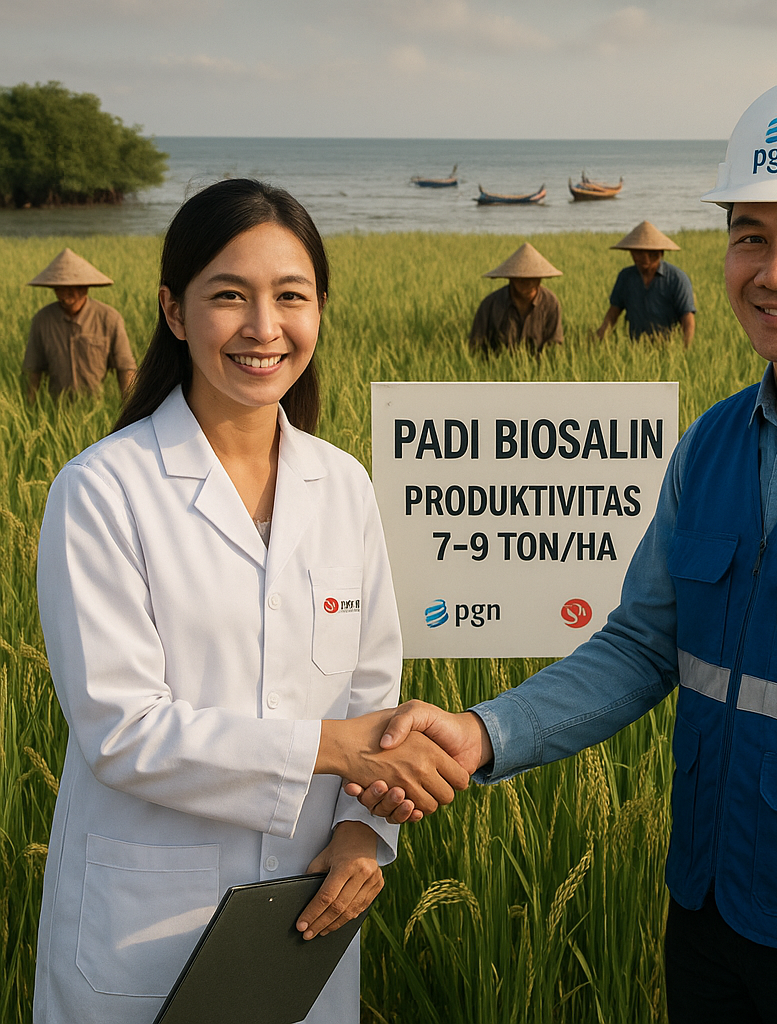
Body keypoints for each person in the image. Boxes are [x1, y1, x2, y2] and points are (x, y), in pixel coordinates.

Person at [351, 70, 777, 1024]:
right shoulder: (711, 445)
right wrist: (484, 733)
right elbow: (641, 648)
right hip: (705, 916)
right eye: (750, 236)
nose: (774, 269)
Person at [32, 179, 468, 1024]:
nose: (264, 328)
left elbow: (371, 695)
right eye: (229, 296)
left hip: (301, 916)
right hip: (145, 927)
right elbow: (123, 732)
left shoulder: (342, 485)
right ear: (172, 310)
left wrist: (361, 836)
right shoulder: (103, 491)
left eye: (291, 297)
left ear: (320, 310)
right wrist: (338, 749)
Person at [23, 248, 137, 401]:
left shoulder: (109, 318)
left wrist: (129, 411)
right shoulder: (42, 319)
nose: (65, 294)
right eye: (59, 289)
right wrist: (30, 407)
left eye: (72, 288)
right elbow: (34, 369)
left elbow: (125, 367)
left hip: (97, 404)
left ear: (85, 287)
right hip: (57, 407)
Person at [595, 220, 696, 345]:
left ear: (660, 253)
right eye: (638, 253)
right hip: (635, 347)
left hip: (669, 346)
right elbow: (613, 313)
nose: (644, 258)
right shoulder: (626, 277)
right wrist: (599, 337)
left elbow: (687, 318)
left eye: (651, 254)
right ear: (631, 253)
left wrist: (686, 349)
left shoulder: (677, 278)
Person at [469, 242, 564, 354]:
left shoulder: (550, 303)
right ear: (510, 277)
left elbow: (554, 346)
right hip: (498, 368)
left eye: (531, 277)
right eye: (519, 277)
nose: (525, 282)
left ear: (540, 278)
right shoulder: (490, 304)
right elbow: (476, 347)